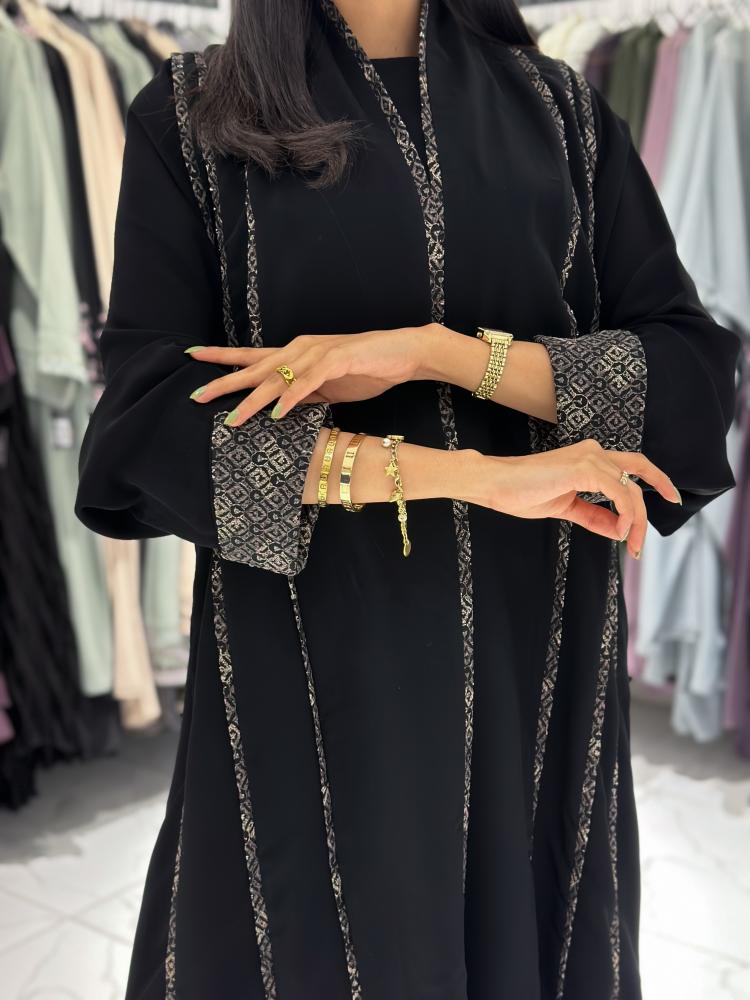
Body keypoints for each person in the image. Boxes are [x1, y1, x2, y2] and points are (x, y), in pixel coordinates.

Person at [74, 1, 740, 997]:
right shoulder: (196, 114)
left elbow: (688, 377)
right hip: (304, 650)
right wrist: (469, 474)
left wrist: (438, 354)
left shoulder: (558, 111)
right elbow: (149, 426)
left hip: (535, 646)